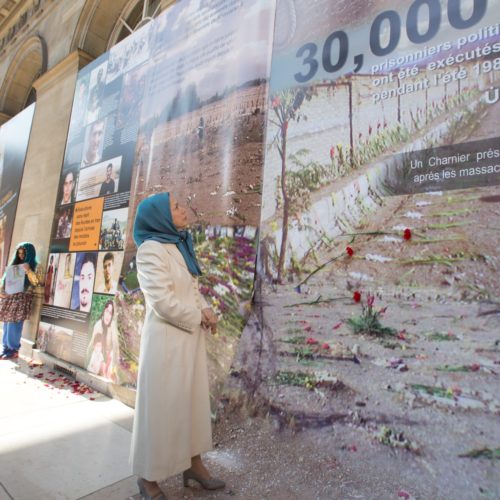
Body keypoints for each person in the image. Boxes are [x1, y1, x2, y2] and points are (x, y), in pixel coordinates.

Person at [130, 192, 224, 499]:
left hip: (188, 341)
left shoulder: (176, 244)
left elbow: (190, 290)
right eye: (176, 207)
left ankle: (194, 466)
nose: (183, 210)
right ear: (160, 217)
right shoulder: (150, 251)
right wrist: (199, 315)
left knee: (192, 404)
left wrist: (206, 309)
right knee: (160, 411)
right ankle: (148, 479)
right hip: (167, 344)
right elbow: (163, 303)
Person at [0, 243, 44, 360]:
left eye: (23, 254)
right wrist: (1, 290)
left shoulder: (36, 266)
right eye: (19, 253)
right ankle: (6, 348)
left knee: (15, 324)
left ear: (29, 254)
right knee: (6, 323)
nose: (21, 256)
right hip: (9, 298)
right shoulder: (14, 264)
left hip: (22, 298)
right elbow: (4, 279)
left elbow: (36, 282)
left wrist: (28, 270)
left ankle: (14, 350)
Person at [86, 300, 119, 380]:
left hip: (109, 356)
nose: (108, 316)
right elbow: (91, 344)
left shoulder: (113, 325)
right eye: (107, 311)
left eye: (110, 313)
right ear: (104, 311)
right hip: (100, 354)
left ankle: (109, 373)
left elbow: (115, 346)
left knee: (110, 359)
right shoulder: (98, 325)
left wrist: (114, 365)